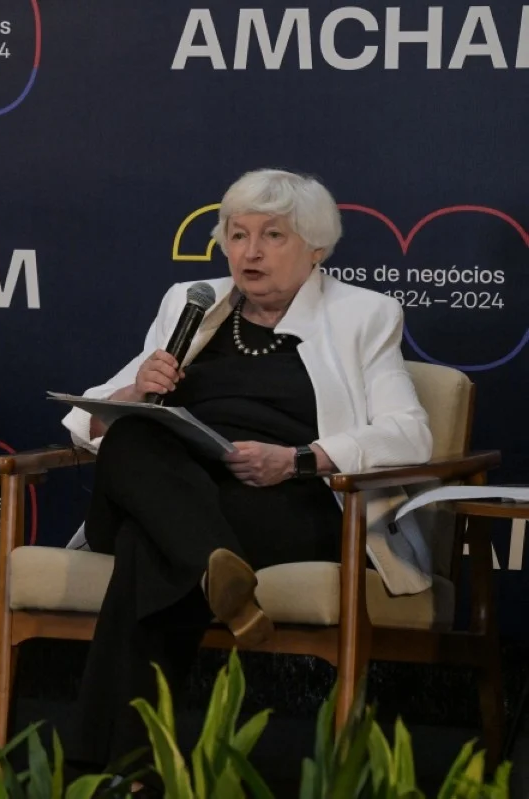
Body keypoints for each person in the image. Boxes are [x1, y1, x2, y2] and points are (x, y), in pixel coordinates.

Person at [59, 169, 433, 779]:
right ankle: (214, 564)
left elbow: (410, 434)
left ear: (317, 249)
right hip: (175, 486)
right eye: (236, 235)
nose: (249, 252)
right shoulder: (190, 303)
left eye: (272, 236)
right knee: (133, 431)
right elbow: (86, 419)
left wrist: (298, 459)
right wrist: (138, 388)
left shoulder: (365, 314)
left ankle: (112, 775)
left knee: (146, 545)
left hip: (284, 499)